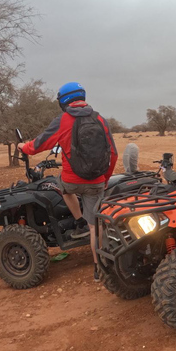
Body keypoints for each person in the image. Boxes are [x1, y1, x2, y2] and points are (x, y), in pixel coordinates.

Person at [18, 82, 117, 281]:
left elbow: (39, 144)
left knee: (61, 186)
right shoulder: (100, 119)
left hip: (71, 180)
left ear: (63, 101)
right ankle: (99, 270)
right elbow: (113, 153)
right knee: (95, 227)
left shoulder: (62, 120)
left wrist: (23, 146)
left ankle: (77, 219)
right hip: (96, 182)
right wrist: (105, 179)